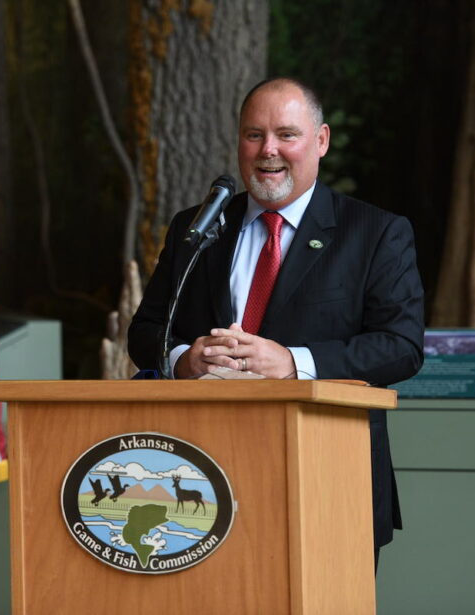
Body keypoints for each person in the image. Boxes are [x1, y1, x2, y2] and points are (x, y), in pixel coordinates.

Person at [127, 77, 424, 566]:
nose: (269, 150)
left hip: (328, 476)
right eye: (253, 135)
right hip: (204, 474)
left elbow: (401, 346)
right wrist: (185, 359)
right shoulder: (196, 227)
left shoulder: (375, 233)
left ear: (321, 141)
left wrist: (292, 362)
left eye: (287, 134)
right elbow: (146, 331)